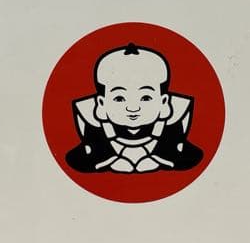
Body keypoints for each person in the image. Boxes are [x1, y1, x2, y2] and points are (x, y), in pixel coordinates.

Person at [65, 43, 203, 173]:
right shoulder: (92, 130)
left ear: (164, 102)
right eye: (119, 98)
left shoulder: (174, 129)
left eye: (145, 98)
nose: (133, 108)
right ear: (101, 104)